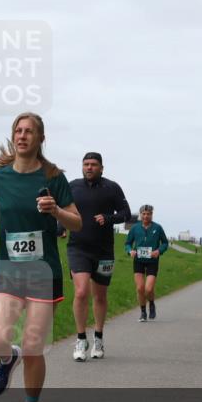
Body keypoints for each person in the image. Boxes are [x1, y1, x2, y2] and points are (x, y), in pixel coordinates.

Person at [0, 112, 81, 402]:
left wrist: (57, 211)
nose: (22, 136)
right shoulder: (0, 177)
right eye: (18, 131)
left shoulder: (53, 177)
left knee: (34, 345)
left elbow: (76, 222)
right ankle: (8, 358)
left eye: (29, 132)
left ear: (40, 139)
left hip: (43, 273)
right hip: (8, 271)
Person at [66, 152, 130, 361]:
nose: (89, 168)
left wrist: (108, 218)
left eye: (93, 164)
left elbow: (126, 213)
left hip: (104, 251)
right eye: (86, 164)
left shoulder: (111, 187)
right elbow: (63, 210)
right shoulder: (72, 186)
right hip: (78, 248)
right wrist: (61, 227)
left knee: (100, 296)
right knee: (82, 291)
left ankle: (99, 338)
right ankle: (81, 338)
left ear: (102, 168)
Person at [125, 205, 169, 322]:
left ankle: (152, 303)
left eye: (148, 214)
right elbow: (127, 243)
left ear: (151, 214)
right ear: (140, 215)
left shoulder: (158, 228)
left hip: (152, 261)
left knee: (148, 289)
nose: (145, 216)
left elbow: (165, 243)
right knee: (140, 288)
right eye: (143, 214)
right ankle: (143, 312)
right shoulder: (135, 228)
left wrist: (158, 251)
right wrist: (130, 251)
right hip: (138, 261)